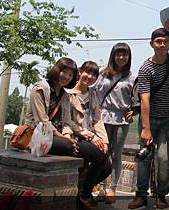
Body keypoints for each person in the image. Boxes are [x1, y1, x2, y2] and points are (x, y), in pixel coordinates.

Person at [25, 57, 108, 210]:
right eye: (64, 72)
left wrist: (89, 136)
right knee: (78, 149)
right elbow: (42, 122)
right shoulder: (40, 89)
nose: (66, 77)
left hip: (58, 136)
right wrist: (64, 137)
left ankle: (82, 192)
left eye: (70, 75)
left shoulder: (63, 93)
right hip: (39, 136)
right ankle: (80, 195)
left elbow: (67, 122)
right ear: (57, 70)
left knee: (101, 156)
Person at [128, 28, 169, 210]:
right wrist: (146, 127)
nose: (162, 45)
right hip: (150, 121)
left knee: (164, 159)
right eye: (158, 41)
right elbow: (144, 98)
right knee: (144, 159)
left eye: (165, 41)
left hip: (168, 122)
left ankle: (161, 195)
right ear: (151, 44)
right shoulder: (146, 68)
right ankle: (140, 195)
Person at [93, 43, 136, 203]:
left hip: (121, 119)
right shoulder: (102, 73)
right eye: (118, 54)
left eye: (124, 54)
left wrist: (134, 110)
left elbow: (137, 98)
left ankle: (113, 188)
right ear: (113, 56)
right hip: (102, 117)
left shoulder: (131, 77)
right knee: (102, 153)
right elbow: (93, 92)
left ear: (128, 57)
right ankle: (101, 187)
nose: (121, 57)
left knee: (116, 154)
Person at [65, 61, 112, 202]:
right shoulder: (68, 93)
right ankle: (84, 195)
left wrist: (104, 141)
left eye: (94, 74)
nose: (90, 76)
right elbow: (68, 121)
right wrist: (91, 136)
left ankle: (83, 190)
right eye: (87, 72)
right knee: (98, 157)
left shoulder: (93, 94)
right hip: (75, 137)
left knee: (107, 166)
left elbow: (98, 120)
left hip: (90, 139)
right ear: (80, 72)